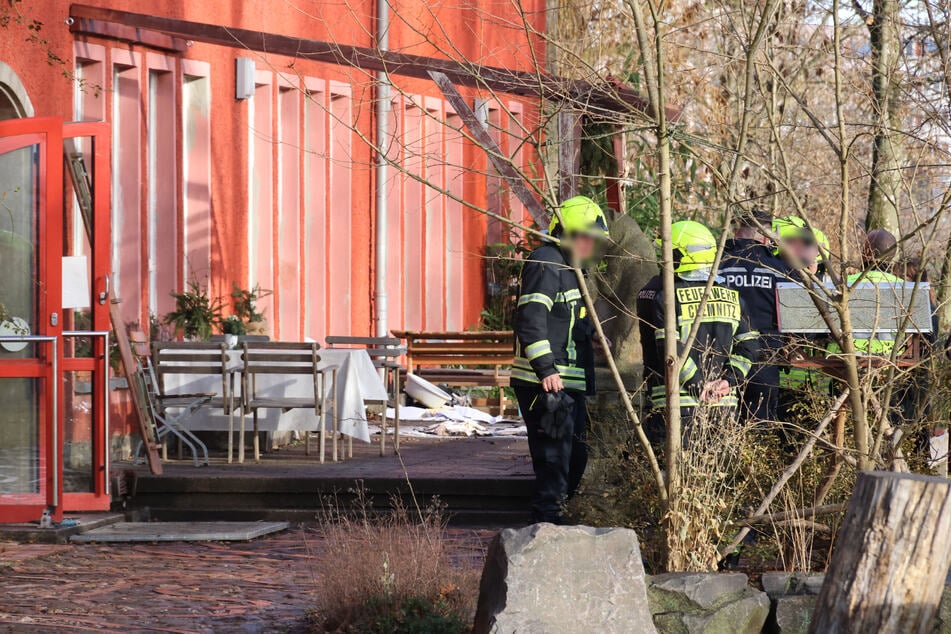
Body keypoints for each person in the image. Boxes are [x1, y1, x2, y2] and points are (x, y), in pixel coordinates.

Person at [512, 195, 608, 524]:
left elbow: (564, 317)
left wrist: (591, 335)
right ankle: (546, 528)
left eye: (594, 239)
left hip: (566, 381)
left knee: (574, 458)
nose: (590, 245)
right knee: (554, 462)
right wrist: (545, 369)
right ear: (566, 232)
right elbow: (531, 319)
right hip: (546, 384)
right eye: (586, 237)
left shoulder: (569, 268)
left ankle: (555, 522)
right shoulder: (546, 262)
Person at [637, 220, 760, 445]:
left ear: (681, 257)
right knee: (718, 465)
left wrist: (698, 385)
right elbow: (750, 346)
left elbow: (669, 349)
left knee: (674, 466)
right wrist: (728, 381)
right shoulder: (733, 296)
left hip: (677, 404)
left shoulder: (667, 298)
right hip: (723, 405)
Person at [720, 208, 792, 423]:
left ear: (737, 232)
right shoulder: (780, 269)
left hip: (721, 361)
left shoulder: (717, 263)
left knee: (722, 424)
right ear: (766, 236)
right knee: (760, 426)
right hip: (764, 359)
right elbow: (798, 318)